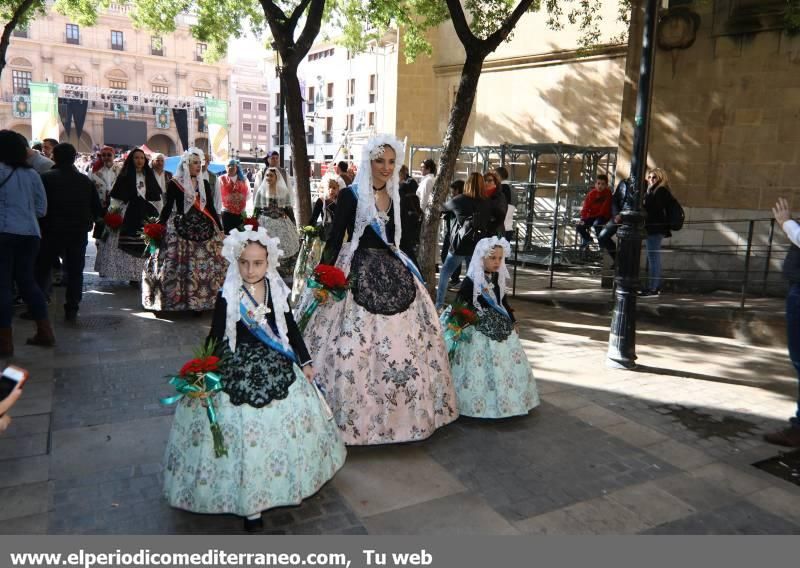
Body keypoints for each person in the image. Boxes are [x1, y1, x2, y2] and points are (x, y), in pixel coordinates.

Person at [162, 226, 346, 532]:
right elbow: (217, 334)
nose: (250, 269)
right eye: (245, 262)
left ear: (268, 262)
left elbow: (289, 325)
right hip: (235, 362)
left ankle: (287, 483)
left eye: (257, 263)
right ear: (237, 261)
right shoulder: (229, 292)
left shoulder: (276, 290)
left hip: (276, 361)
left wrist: (306, 360)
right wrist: (206, 371)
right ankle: (248, 502)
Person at [298, 134, 458, 445]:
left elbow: (403, 241)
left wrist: (418, 275)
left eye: (390, 162)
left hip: (394, 269)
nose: (386, 168)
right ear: (368, 162)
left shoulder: (399, 195)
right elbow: (335, 239)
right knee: (350, 344)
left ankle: (407, 417)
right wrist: (323, 275)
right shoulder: (351, 196)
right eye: (379, 161)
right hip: (355, 268)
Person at [442, 237, 539, 418]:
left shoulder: (495, 278)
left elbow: (502, 301)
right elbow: (460, 305)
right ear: (481, 258)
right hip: (475, 327)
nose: (497, 262)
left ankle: (511, 399)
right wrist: (456, 327)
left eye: (500, 258)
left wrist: (513, 320)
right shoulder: (471, 281)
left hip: (498, 326)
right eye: (493, 258)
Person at [142, 148, 226, 313]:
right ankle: (178, 298)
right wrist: (159, 225)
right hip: (181, 226)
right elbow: (167, 206)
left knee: (206, 264)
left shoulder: (205, 183)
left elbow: (210, 207)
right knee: (178, 264)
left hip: (203, 226)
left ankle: (201, 301)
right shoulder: (175, 183)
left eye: (199, 163)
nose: (198, 166)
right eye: (195, 163)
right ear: (186, 164)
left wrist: (220, 228)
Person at [0, 130, 53, 356]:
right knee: (28, 282)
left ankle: (5, 342)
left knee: (2, 286)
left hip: (2, 232)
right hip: (30, 234)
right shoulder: (32, 175)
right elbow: (42, 210)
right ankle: (45, 331)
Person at [35, 143, 102, 321]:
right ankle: (72, 307)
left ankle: (38, 305)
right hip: (77, 232)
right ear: (74, 158)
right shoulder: (85, 181)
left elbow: (39, 207)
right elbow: (97, 209)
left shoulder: (46, 178)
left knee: (43, 268)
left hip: (51, 231)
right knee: (75, 271)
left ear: (54, 157)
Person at [94, 148, 162, 283]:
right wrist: (114, 214)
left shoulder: (149, 176)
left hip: (146, 213)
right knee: (124, 243)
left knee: (145, 245)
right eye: (136, 158)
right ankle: (130, 274)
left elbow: (157, 198)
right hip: (127, 212)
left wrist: (158, 216)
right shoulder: (124, 176)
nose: (139, 160)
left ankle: (141, 275)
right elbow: (117, 198)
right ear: (131, 159)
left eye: (142, 158)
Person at [436, 173, 496, 310]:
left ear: (467, 184)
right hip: (479, 245)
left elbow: (442, 207)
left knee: (445, 272)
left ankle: (439, 304)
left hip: (460, 245)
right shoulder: (487, 202)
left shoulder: (459, 200)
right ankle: (471, 306)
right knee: (473, 277)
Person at [292, 176, 343, 303]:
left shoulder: (341, 203)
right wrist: (309, 231)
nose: (331, 190)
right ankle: (312, 290)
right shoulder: (322, 201)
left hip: (337, 237)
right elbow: (313, 218)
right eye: (329, 187)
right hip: (323, 236)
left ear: (339, 189)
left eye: (334, 188)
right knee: (315, 262)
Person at [254, 167, 300, 277]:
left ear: (276, 177)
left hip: (281, 222)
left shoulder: (283, 192)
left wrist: (293, 225)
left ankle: (281, 273)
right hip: (265, 223)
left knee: (283, 247)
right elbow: (257, 210)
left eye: (271, 176)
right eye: (267, 175)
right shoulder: (261, 191)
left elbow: (288, 210)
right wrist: (252, 224)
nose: (268, 178)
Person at [640, 168, 673, 297]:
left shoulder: (660, 191)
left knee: (653, 259)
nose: (651, 179)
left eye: (654, 177)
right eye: (649, 177)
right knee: (654, 258)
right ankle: (654, 286)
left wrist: (647, 196)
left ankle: (653, 287)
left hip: (655, 229)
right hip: (654, 229)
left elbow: (654, 209)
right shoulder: (655, 190)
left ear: (660, 178)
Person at [576, 174, 613, 251]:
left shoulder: (608, 193)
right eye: (598, 183)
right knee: (579, 226)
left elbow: (604, 208)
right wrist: (583, 219)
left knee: (597, 225)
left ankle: (601, 246)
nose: (600, 186)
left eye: (603, 184)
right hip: (592, 216)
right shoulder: (592, 193)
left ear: (606, 185)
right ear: (595, 184)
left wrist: (594, 219)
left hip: (603, 216)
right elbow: (586, 207)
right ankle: (588, 239)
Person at [441, 180, 465, 288]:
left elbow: (443, 208)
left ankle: (454, 278)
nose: (451, 193)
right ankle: (455, 278)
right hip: (455, 233)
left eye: (453, 191)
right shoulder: (464, 200)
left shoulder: (457, 200)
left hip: (454, 234)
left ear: (458, 190)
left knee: (448, 256)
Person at [218, 159, 250, 234]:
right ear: (225, 167)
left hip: (241, 214)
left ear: (237, 167)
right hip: (227, 214)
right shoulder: (220, 179)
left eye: (233, 166)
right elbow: (217, 196)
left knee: (241, 236)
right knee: (228, 236)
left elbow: (248, 195)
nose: (230, 168)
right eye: (228, 166)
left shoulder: (244, 179)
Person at [494, 166, 517, 242]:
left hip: (501, 229)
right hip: (508, 227)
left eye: (494, 176)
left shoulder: (501, 189)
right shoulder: (512, 189)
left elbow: (500, 210)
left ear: (498, 176)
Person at [482, 171, 508, 237]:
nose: (486, 183)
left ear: (495, 182)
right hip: (483, 232)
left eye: (490, 180)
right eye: (484, 180)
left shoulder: (500, 196)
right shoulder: (481, 195)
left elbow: (501, 215)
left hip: (496, 232)